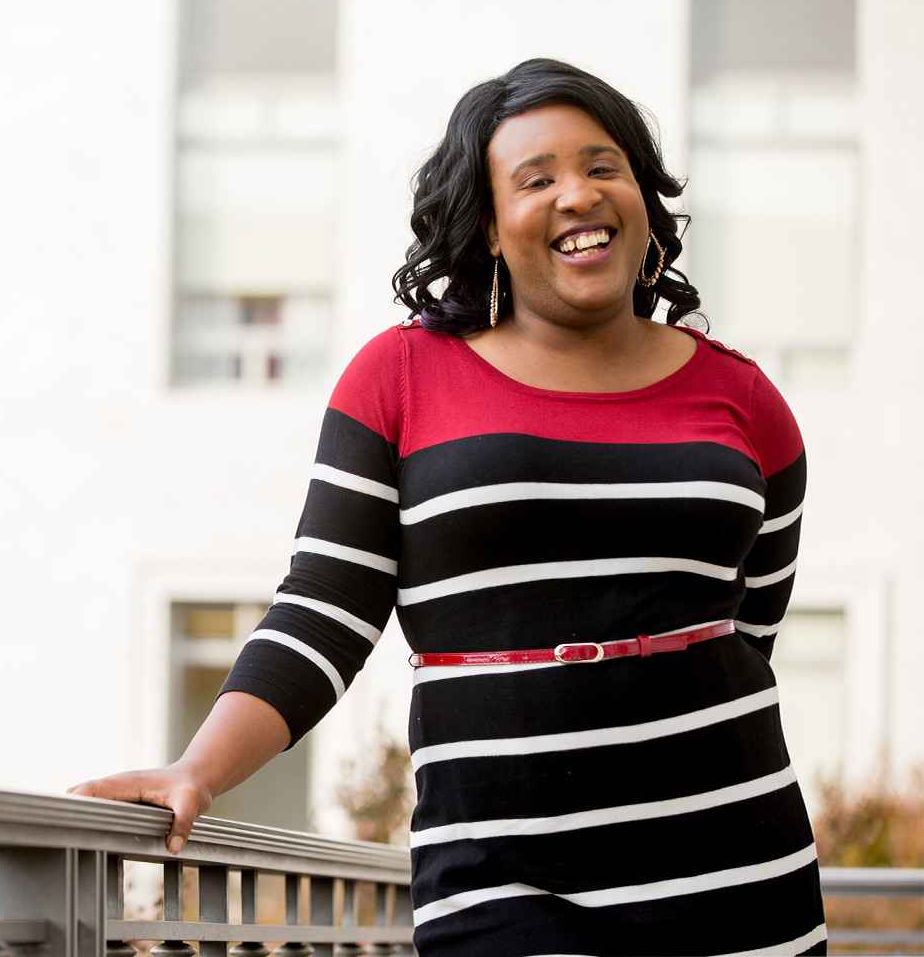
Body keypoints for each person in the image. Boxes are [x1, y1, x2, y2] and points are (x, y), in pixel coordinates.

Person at [69, 57, 827, 956]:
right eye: (536, 179)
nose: (577, 195)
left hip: (737, 874)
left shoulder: (745, 400)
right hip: (501, 882)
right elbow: (325, 607)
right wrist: (200, 767)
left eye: (602, 166)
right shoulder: (400, 378)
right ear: (491, 228)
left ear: (643, 201)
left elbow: (747, 635)